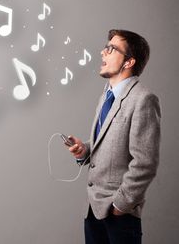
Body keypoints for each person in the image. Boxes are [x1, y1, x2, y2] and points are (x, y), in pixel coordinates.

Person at [67, 29, 161, 244]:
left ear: (128, 62)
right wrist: (85, 150)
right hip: (92, 211)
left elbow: (146, 163)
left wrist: (120, 205)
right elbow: (111, 142)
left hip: (119, 215)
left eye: (111, 48)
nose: (103, 52)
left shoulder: (143, 99)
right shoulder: (106, 95)